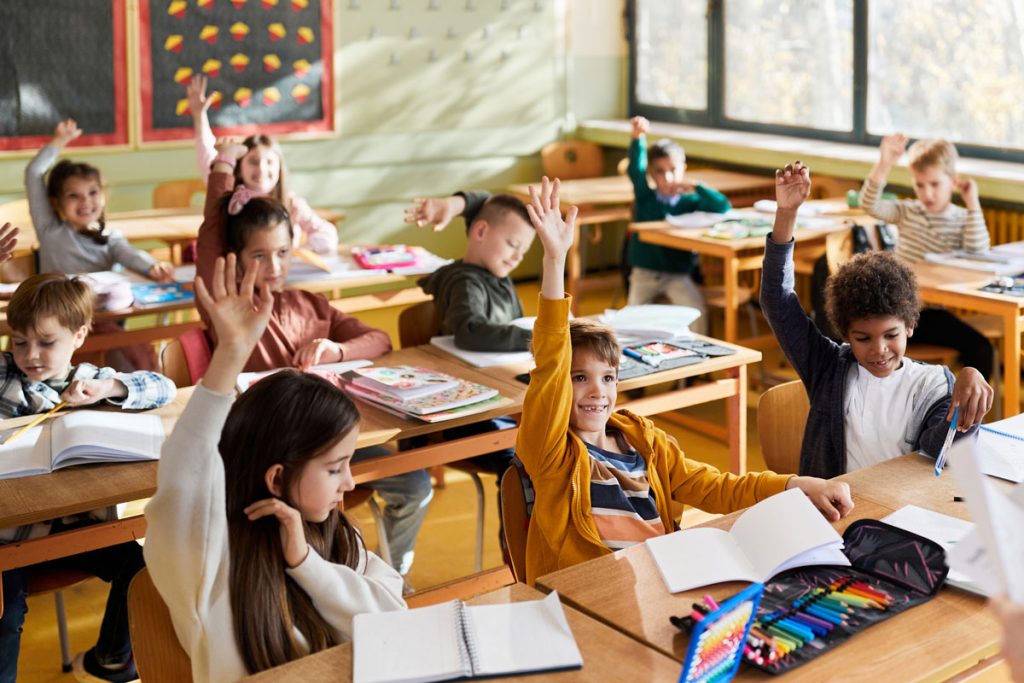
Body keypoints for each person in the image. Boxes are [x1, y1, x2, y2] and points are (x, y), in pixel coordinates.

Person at [515, 176, 853, 583]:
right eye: (580, 378)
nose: (597, 391)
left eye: (607, 378)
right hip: (588, 597)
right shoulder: (552, 453)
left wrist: (795, 485)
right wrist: (554, 260)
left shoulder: (644, 442)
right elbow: (550, 365)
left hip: (658, 581)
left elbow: (717, 487)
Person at [144, 254, 404, 681]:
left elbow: (394, 614)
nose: (351, 482)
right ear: (278, 477)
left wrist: (307, 563)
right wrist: (228, 356)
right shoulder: (206, 556)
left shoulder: (333, 534)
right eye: (336, 468)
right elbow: (185, 471)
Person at [196, 139, 431, 576]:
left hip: (334, 449)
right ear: (235, 259)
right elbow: (211, 231)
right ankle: (326, 578)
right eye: (259, 256)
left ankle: (391, 578)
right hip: (272, 459)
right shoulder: (229, 308)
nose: (273, 266)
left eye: (283, 253)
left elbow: (378, 338)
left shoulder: (310, 304)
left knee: (415, 484)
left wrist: (337, 349)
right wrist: (222, 168)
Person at [0, 245, 177, 683]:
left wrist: (109, 387)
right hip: (10, 537)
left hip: (72, 525)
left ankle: (112, 659)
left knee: (145, 566)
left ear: (79, 336)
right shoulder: (4, 374)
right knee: (6, 615)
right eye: (19, 342)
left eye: (46, 342)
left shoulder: (88, 379)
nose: (30, 354)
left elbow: (164, 387)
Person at [761, 161, 993, 478]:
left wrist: (966, 405)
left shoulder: (931, 384)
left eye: (891, 335)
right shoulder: (828, 368)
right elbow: (777, 298)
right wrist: (786, 213)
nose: (879, 349)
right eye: (863, 338)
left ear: (911, 325)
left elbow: (943, 451)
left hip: (900, 508)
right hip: (835, 509)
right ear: (845, 333)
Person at [860, 133, 993, 378]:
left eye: (935, 184)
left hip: (929, 315)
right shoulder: (908, 211)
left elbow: (979, 249)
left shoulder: (961, 218)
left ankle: (967, 413)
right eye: (920, 185)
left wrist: (972, 202)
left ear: (953, 183)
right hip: (897, 312)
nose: (927, 193)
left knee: (981, 349)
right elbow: (869, 204)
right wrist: (885, 163)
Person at [187, 75, 338, 254]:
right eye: (253, 161)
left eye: (269, 162)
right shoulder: (229, 196)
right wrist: (199, 115)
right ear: (239, 168)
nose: (262, 169)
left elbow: (327, 233)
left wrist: (297, 252)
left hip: (278, 277)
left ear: (280, 168)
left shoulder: (291, 203)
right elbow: (208, 155)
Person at [623, 116, 733, 333]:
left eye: (673, 169)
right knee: (631, 318)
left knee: (697, 311)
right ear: (651, 174)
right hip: (644, 273)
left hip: (677, 275)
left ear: (683, 168)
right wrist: (638, 138)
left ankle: (702, 363)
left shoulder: (689, 202)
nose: (668, 177)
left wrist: (696, 186)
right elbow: (635, 169)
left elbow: (722, 206)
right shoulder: (646, 197)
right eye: (660, 172)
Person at [410, 191, 535, 351]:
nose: (518, 257)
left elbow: (486, 202)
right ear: (481, 232)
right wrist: (535, 338)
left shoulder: (498, 276)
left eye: (524, 251)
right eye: (512, 244)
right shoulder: (465, 283)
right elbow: (470, 332)